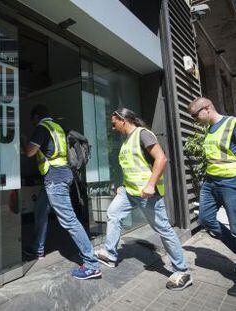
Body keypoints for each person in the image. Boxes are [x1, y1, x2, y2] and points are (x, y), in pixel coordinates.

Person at [95, 108, 192, 290]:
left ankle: (182, 271)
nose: (113, 127)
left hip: (148, 194)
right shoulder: (126, 142)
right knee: (113, 213)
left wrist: (150, 184)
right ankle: (110, 254)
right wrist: (123, 185)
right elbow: (133, 167)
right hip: (130, 193)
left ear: (123, 120)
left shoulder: (143, 134)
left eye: (114, 123)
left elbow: (161, 159)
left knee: (163, 229)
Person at [22, 104, 101, 279]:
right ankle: (38, 248)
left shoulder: (42, 128)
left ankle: (91, 264)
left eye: (32, 119)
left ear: (36, 117)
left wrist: (23, 140)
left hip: (55, 178)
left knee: (69, 220)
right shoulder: (58, 127)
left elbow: (29, 152)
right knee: (41, 210)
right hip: (61, 174)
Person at [188, 97, 236, 296]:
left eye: (195, 115)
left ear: (207, 109)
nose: (194, 120)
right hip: (211, 182)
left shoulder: (232, 124)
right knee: (205, 219)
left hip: (231, 182)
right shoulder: (209, 130)